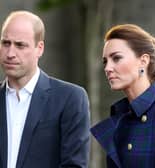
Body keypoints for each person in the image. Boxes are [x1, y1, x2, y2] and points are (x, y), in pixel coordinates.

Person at [0, 10, 90, 168]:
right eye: (6, 43)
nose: (10, 53)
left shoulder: (70, 98)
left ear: (39, 48)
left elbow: (74, 165)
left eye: (20, 45)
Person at [91, 24, 155, 168]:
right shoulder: (122, 117)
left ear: (143, 61)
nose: (107, 68)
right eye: (105, 61)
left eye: (117, 58)